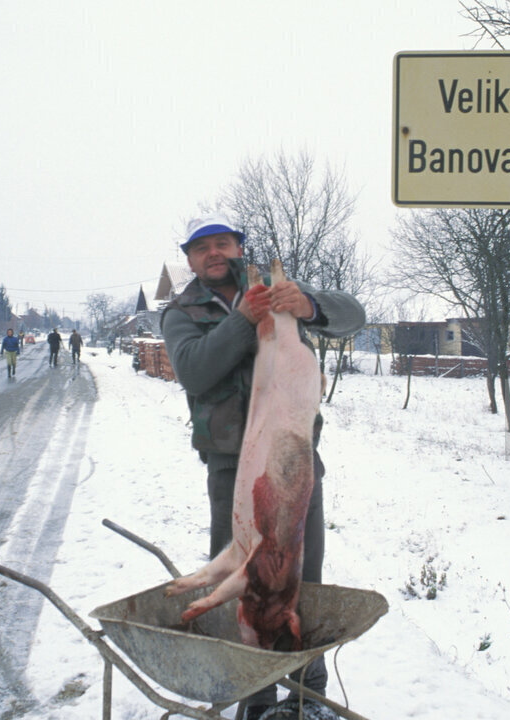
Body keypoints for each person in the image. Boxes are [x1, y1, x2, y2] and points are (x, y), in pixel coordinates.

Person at [161, 212, 365, 720]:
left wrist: (308, 305)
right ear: (189, 260)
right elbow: (195, 371)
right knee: (246, 584)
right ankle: (255, 701)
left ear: (238, 247)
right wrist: (243, 320)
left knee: (301, 581)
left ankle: (307, 697)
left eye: (222, 243)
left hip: (295, 465)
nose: (213, 253)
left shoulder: (281, 291)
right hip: (234, 472)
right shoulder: (181, 313)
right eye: (201, 248)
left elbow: (353, 315)